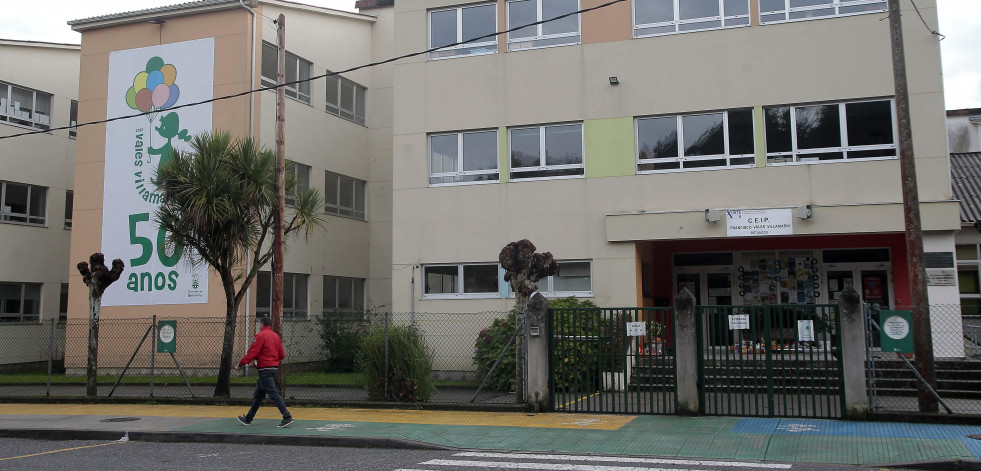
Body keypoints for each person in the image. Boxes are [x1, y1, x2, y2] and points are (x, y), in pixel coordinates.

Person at [235, 317, 293, 428]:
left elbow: (252, 353)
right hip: (273, 368)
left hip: (264, 369)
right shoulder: (275, 336)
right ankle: (248, 418)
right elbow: (282, 355)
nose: (258, 326)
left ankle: (287, 416)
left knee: (273, 393)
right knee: (259, 395)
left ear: (262, 324)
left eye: (259, 324)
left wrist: (240, 364)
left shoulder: (260, 336)